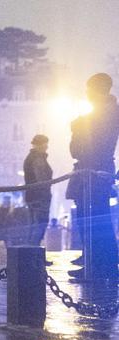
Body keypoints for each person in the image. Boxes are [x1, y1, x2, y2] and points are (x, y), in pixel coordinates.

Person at [67, 73, 119, 281]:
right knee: (94, 218)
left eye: (89, 89)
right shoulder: (106, 112)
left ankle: (99, 266)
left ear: (98, 90)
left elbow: (80, 150)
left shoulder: (105, 114)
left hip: (94, 172)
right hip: (93, 171)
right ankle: (99, 263)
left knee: (95, 219)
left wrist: (78, 128)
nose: (86, 93)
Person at [23, 134, 53, 247]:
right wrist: (45, 191)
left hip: (32, 196)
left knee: (34, 225)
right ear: (40, 144)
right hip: (40, 197)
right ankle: (35, 254)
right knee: (39, 224)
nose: (47, 147)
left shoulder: (31, 157)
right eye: (45, 144)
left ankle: (33, 253)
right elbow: (42, 179)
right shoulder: (37, 158)